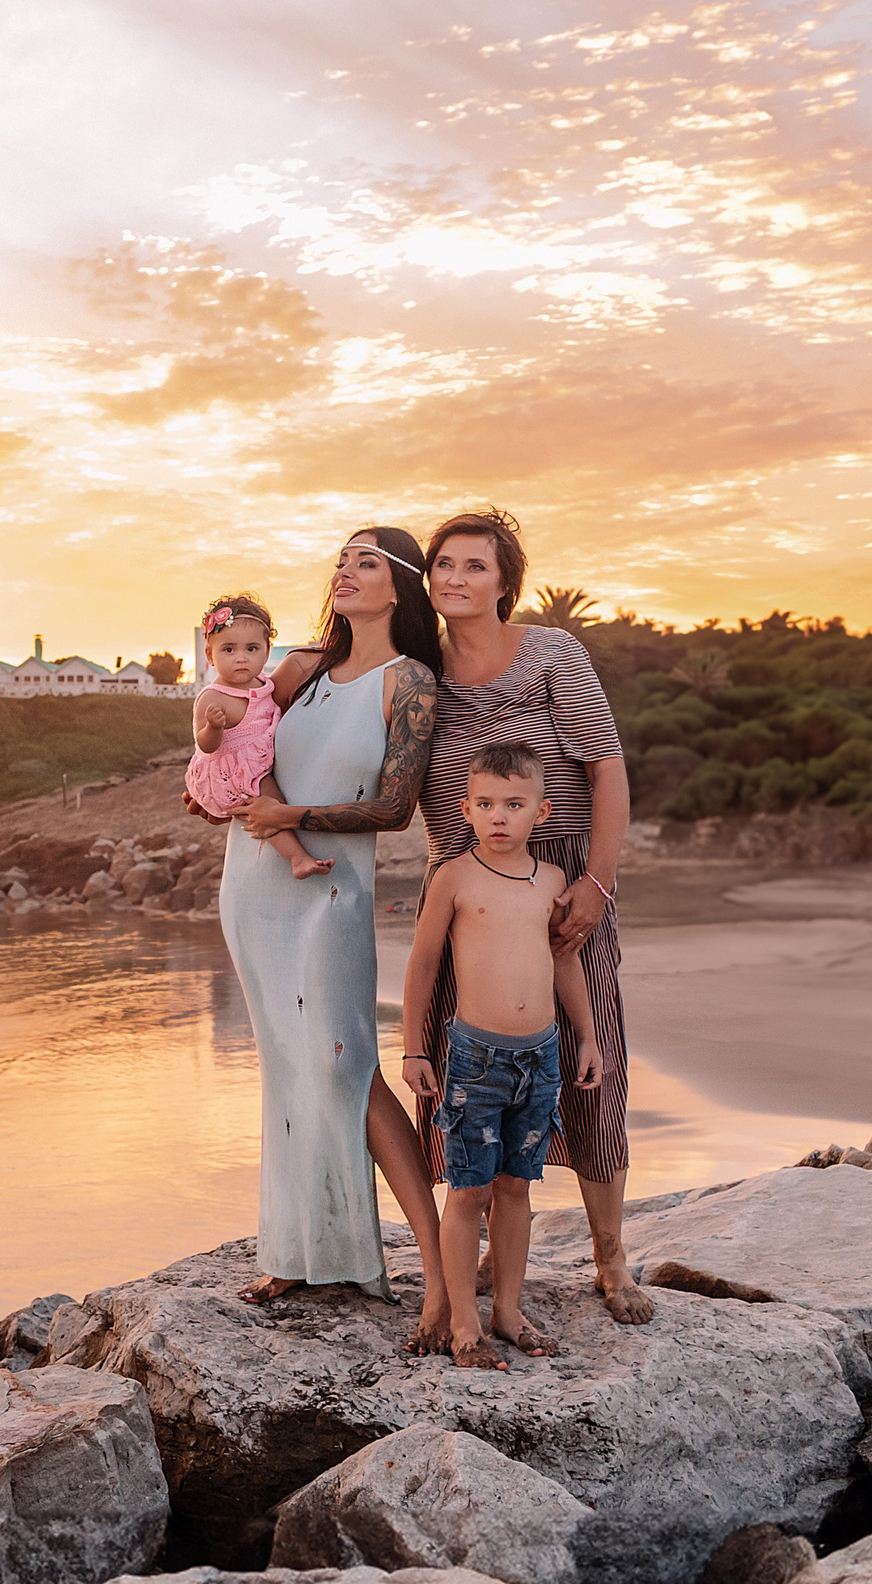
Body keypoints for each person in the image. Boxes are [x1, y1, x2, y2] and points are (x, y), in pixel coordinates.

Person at [195, 528, 452, 1353]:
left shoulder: (408, 682)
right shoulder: (297, 666)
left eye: (365, 561)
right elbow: (237, 741)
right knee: (288, 1065)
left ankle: (441, 1275)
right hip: (256, 884)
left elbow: (396, 808)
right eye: (342, 559)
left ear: (400, 587)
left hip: (332, 886)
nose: (344, 570)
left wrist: (292, 816)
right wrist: (212, 784)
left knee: (345, 1063)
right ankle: (299, 1252)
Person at [414, 508, 653, 1325]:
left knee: (594, 1056)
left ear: (504, 581)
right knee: (461, 1071)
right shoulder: (419, 674)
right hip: (464, 890)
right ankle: (474, 1252)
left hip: (560, 884)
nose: (455, 578)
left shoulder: (553, 653)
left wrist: (597, 882)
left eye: (475, 565)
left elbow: (607, 770)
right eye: (444, 563)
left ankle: (611, 1256)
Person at [402, 742, 602, 1370]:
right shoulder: (454, 878)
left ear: (541, 812)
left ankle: (508, 1310)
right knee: (468, 1190)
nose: (498, 816)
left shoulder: (551, 881)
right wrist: (414, 1048)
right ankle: (463, 1319)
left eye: (513, 804)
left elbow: (564, 961)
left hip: (540, 1058)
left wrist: (589, 1036)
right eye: (485, 803)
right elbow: (424, 964)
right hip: (475, 1059)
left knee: (516, 1186)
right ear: (465, 808)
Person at [187, 594, 330, 880]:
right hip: (231, 770)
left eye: (251, 648)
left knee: (274, 799)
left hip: (255, 761)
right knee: (270, 804)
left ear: (266, 652)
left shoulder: (265, 684)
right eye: (228, 650)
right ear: (209, 655)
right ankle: (297, 858)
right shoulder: (214, 697)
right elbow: (206, 747)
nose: (241, 658)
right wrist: (213, 728)